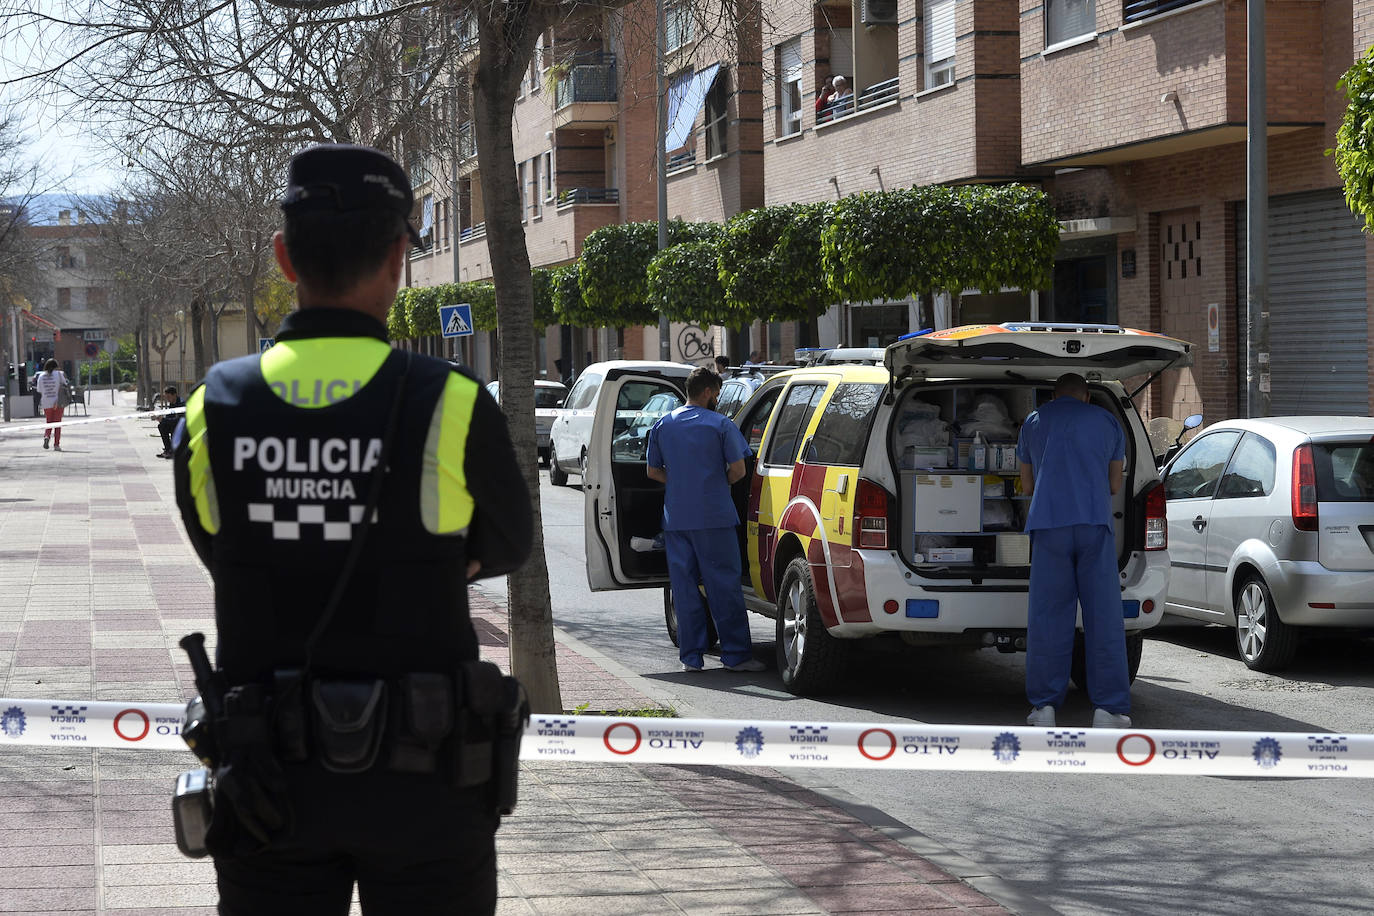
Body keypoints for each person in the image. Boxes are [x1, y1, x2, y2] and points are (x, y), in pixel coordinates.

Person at [171, 143, 533, 915]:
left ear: (282, 257)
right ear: (400, 256)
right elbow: (507, 545)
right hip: (428, 783)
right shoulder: (454, 400)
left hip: (268, 783)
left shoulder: (214, 405)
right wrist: (423, 561)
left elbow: (220, 549)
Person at [1016, 372, 1130, 729]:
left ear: (1052, 395)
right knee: (1104, 617)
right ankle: (1108, 710)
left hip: (1049, 527)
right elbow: (1115, 484)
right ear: (1085, 397)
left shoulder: (1033, 423)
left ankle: (1044, 708)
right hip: (1094, 525)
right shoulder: (1108, 422)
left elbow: (1028, 483)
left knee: (1048, 618)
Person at [646, 367, 764, 673]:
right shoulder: (720, 424)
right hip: (714, 517)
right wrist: (715, 482)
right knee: (723, 586)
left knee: (684, 589)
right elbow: (738, 470)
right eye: (718, 393)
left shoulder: (663, 424)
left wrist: (680, 482)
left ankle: (691, 658)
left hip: (677, 519)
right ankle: (735, 656)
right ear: (709, 392)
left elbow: (653, 471)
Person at [34, 358, 69, 451]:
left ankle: (46, 436)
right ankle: (56, 444)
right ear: (56, 366)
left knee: (49, 422)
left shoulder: (41, 376)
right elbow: (65, 385)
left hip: (46, 402)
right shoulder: (59, 374)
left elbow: (39, 390)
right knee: (57, 424)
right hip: (57, 402)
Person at [157, 386, 184, 458]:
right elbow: (170, 416)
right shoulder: (172, 403)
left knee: (174, 426)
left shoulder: (181, 403)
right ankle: (168, 449)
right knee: (162, 426)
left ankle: (173, 451)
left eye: (169, 397)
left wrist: (164, 419)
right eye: (166, 397)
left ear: (174, 395)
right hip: (175, 423)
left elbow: (178, 420)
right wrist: (161, 419)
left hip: (183, 425)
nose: (168, 399)